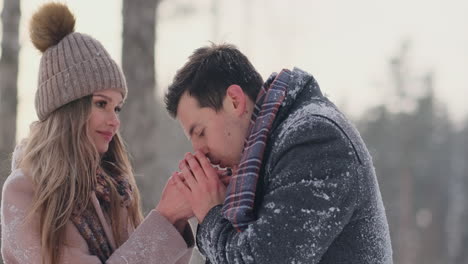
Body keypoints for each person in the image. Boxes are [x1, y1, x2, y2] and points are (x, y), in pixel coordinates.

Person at [165, 43, 393, 263]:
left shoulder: (315, 139)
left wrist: (212, 215)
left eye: (201, 132)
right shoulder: (267, 157)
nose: (198, 151)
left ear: (234, 101)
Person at [1, 3, 193, 264]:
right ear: (67, 110)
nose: (115, 121)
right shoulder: (26, 192)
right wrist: (164, 219)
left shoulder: (114, 188)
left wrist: (177, 219)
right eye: (101, 104)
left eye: (117, 107)